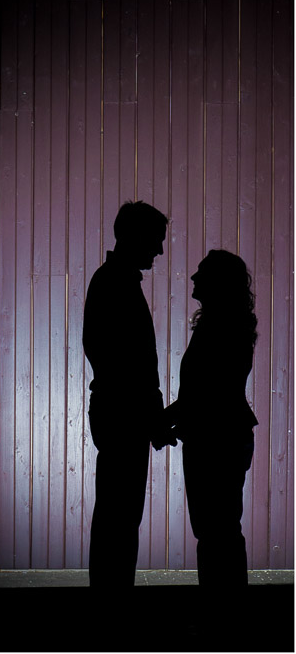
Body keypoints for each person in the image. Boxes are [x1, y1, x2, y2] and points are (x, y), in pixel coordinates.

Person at [82, 200, 175, 587]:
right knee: (120, 517)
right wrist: (152, 417)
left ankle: (111, 598)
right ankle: (113, 602)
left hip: (119, 413)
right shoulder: (117, 284)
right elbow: (131, 367)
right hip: (125, 417)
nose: (160, 249)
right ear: (135, 237)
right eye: (156, 240)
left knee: (115, 515)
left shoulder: (110, 280)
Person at [165, 250, 258, 586]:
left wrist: (164, 419)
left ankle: (221, 616)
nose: (193, 277)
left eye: (202, 272)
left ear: (217, 282)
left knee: (215, 532)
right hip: (224, 435)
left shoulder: (219, 327)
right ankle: (224, 616)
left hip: (215, 440)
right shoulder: (227, 324)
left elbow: (205, 392)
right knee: (221, 530)